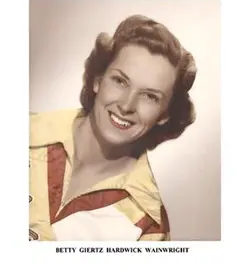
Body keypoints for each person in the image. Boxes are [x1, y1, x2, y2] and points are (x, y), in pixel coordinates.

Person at [29, 14, 197, 241]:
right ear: (98, 79)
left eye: (149, 96)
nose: (127, 105)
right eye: (120, 81)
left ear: (164, 116)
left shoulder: (149, 227)